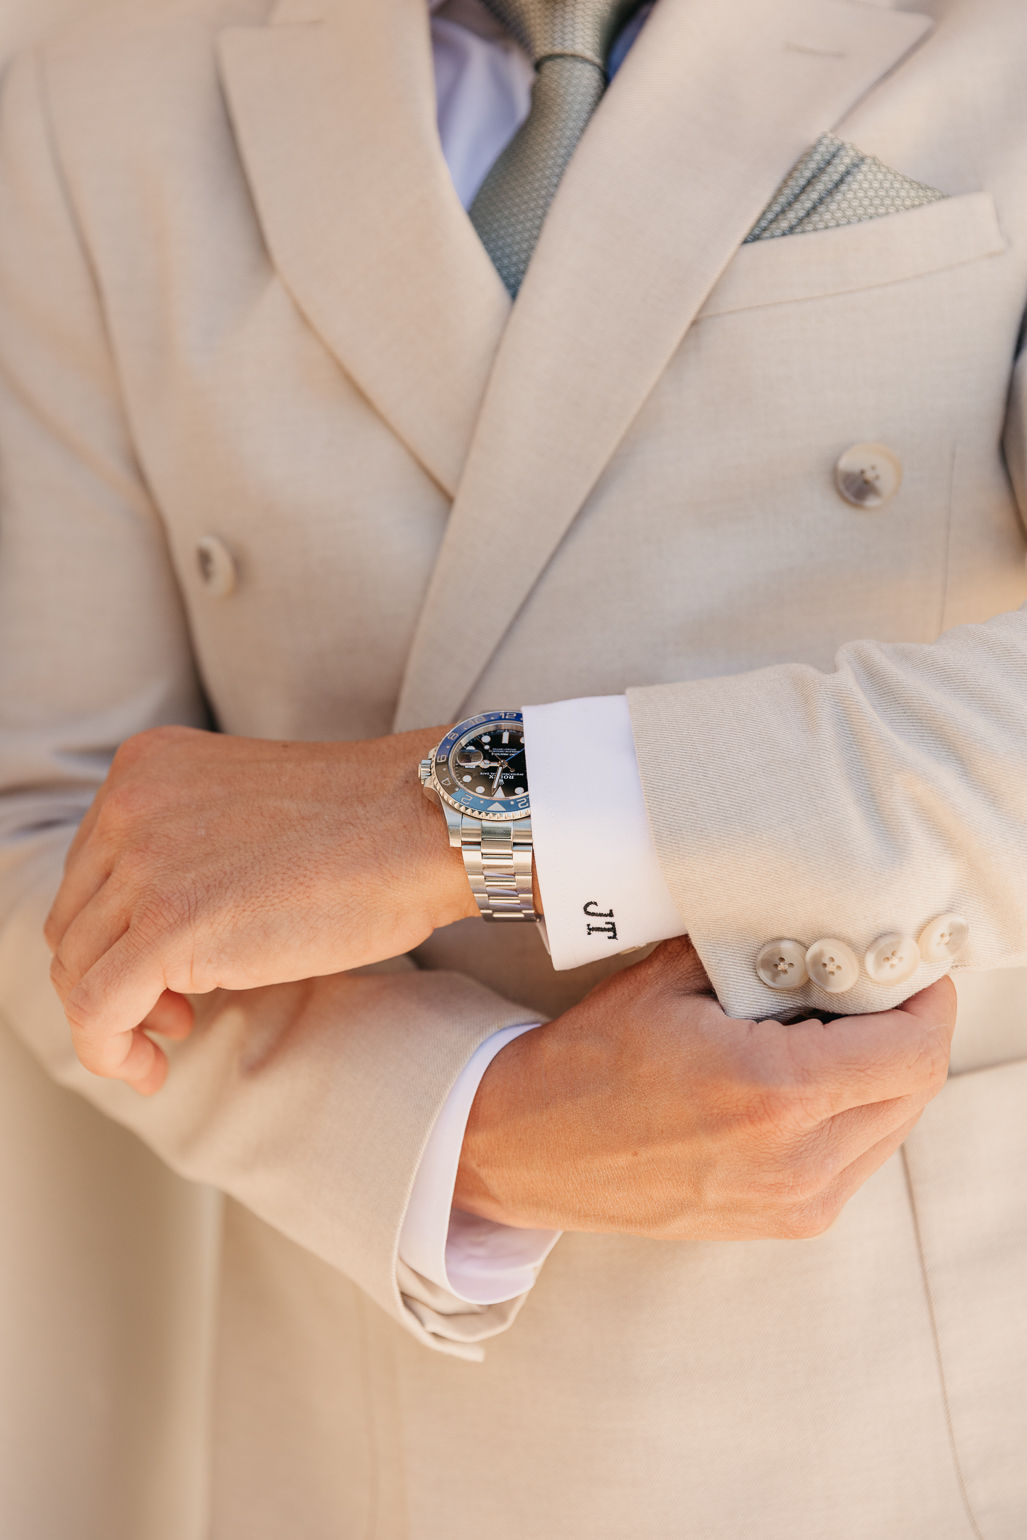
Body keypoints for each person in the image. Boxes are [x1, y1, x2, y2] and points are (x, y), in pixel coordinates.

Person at [1, 0, 1026, 1534]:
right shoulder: (92, 90)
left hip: (920, 1416)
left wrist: (452, 817)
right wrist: (475, 1123)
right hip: (360, 1447)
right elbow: (56, 842)